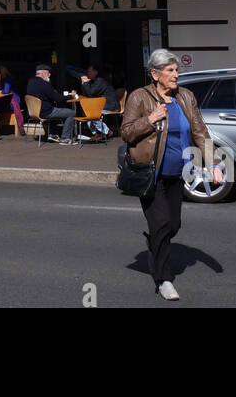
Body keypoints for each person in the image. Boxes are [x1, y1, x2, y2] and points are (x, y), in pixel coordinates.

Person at [121, 49, 222, 301]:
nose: (176, 75)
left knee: (173, 224)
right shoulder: (139, 98)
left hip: (177, 173)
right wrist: (151, 118)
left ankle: (155, 244)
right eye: (170, 70)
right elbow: (126, 132)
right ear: (155, 74)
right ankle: (163, 278)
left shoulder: (186, 97)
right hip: (150, 174)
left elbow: (200, 131)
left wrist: (213, 164)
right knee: (162, 224)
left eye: (176, 70)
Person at [25, 64, 78, 144]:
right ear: (43, 73)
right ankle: (65, 138)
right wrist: (71, 96)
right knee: (71, 113)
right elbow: (57, 98)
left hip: (34, 112)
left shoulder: (30, 82)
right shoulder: (44, 84)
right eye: (48, 73)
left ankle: (52, 134)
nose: (50, 75)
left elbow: (45, 96)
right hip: (45, 112)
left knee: (54, 108)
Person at [77, 62, 118, 141]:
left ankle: (108, 131)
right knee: (88, 113)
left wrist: (85, 83)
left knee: (93, 114)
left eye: (89, 71)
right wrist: (84, 84)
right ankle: (97, 134)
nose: (87, 73)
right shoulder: (94, 82)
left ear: (95, 72)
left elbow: (91, 93)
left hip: (110, 105)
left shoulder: (100, 81)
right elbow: (89, 95)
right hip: (103, 105)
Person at [0, 64, 23, 133]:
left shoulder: (8, 80)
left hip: (13, 103)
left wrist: (1, 91)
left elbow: (6, 91)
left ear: (1, 73)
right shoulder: (0, 81)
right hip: (6, 101)